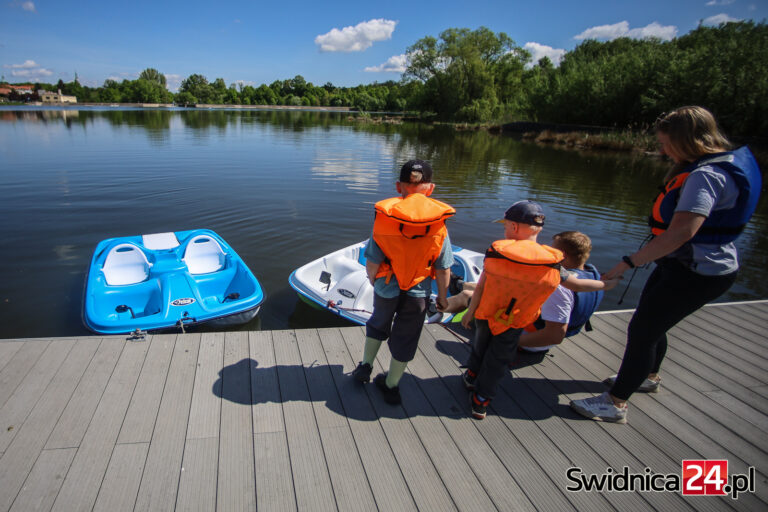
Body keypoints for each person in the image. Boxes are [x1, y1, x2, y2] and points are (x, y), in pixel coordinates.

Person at [570, 106, 762, 424]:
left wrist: (628, 263)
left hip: (698, 272)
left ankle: (615, 403)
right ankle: (648, 376)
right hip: (683, 266)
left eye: (666, 143)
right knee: (653, 325)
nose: (662, 151)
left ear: (686, 140)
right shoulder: (719, 164)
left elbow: (681, 233)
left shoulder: (706, 176)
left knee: (643, 332)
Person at [460, 201, 619, 419]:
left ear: (514, 227)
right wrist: (606, 285)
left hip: (486, 315)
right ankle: (481, 401)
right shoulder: (551, 263)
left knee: (480, 346)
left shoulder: (497, 251)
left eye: (505, 225)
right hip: (514, 321)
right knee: (498, 360)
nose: (504, 230)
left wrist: (470, 311)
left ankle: (471, 376)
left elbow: (481, 285)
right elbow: (577, 285)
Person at [352, 159, 455, 405]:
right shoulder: (438, 224)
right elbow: (443, 268)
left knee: (378, 322)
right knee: (407, 336)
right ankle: (391, 385)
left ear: (399, 187)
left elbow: (372, 260)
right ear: (431, 188)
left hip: (386, 286)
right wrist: (442, 298)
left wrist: (374, 280)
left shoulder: (385, 218)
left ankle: (365, 365)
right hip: (418, 292)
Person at [518, 231, 604, 353]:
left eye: (552, 250)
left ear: (562, 255)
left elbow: (554, 336)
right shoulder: (593, 276)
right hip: (559, 331)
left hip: (535, 341)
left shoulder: (559, 287)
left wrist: (512, 341)